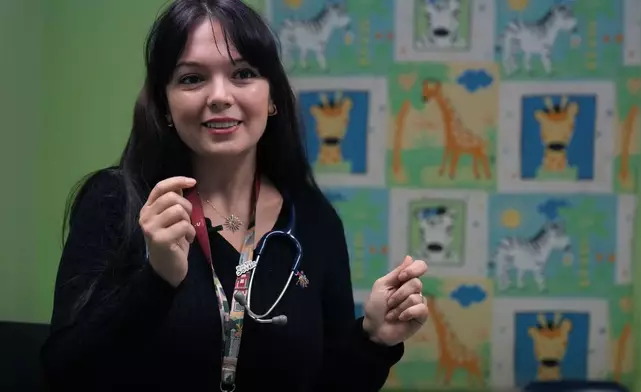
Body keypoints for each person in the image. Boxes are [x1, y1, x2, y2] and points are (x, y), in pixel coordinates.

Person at [40, 0, 429, 391]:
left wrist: (374, 339)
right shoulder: (117, 201)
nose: (220, 96)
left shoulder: (315, 220)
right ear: (165, 105)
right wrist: (156, 281)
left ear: (273, 97)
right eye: (192, 79)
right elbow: (64, 372)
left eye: (243, 73)